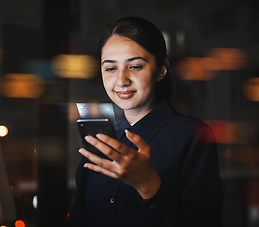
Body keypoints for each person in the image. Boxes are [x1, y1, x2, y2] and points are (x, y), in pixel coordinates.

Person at [64, 16, 223, 227]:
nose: (121, 80)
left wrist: (148, 184)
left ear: (161, 70)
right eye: (110, 68)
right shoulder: (101, 139)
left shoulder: (192, 135)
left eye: (135, 66)